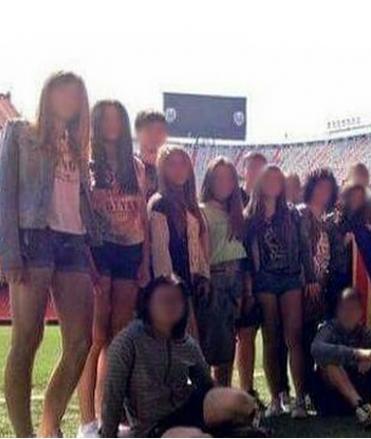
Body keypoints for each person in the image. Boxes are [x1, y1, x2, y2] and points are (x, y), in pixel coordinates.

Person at [0, 71, 99, 437]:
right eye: (63, 92)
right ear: (48, 94)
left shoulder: (79, 143)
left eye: (77, 94)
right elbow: (5, 193)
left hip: (74, 242)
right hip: (32, 238)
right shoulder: (21, 132)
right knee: (27, 338)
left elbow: (81, 203)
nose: (70, 99)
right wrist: (8, 252)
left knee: (80, 342)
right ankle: (24, 434)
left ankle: (48, 426)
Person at [101, 275, 259, 438]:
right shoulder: (127, 342)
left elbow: (206, 386)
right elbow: (112, 397)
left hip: (188, 407)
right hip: (154, 426)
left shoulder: (185, 341)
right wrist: (108, 435)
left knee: (241, 402)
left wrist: (224, 407)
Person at [77, 100, 150, 437]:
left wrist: (145, 260)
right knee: (95, 336)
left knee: (116, 339)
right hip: (99, 248)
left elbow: (142, 217)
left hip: (130, 249)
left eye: (116, 117)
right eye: (103, 118)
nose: (110, 123)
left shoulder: (135, 166)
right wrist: (88, 258)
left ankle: (107, 415)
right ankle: (86, 420)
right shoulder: (85, 162)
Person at [244, 165, 318, 418]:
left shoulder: (292, 213)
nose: (274, 183)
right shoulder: (250, 215)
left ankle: (299, 399)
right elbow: (247, 254)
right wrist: (250, 284)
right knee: (271, 339)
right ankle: (276, 398)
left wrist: (311, 277)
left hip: (289, 279)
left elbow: (305, 247)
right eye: (269, 179)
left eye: (278, 179)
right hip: (264, 279)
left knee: (294, 338)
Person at [311, 288, 371, 429]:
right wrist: (360, 355)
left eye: (354, 309)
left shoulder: (365, 332)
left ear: (360, 313)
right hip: (332, 397)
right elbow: (317, 349)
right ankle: (361, 408)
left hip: (362, 387)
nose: (349, 314)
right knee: (330, 364)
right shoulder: (328, 329)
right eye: (345, 309)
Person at [198, 156, 250, 386]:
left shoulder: (236, 212)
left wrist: (246, 286)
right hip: (214, 278)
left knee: (228, 343)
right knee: (212, 344)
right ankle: (209, 397)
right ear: (209, 180)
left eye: (229, 178)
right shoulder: (200, 210)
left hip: (236, 279)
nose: (224, 182)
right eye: (218, 177)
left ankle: (224, 394)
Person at [149, 146, 209, 332]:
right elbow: (160, 252)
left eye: (183, 164)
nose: (178, 169)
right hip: (172, 286)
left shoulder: (191, 205)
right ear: (162, 169)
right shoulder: (160, 203)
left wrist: (204, 276)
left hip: (190, 283)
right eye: (172, 164)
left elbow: (198, 247)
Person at [298, 168, 339, 405]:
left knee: (316, 339)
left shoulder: (327, 220)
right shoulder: (302, 214)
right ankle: (301, 392)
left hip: (322, 285)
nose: (324, 192)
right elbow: (302, 250)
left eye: (328, 187)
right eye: (319, 186)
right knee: (303, 340)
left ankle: (314, 390)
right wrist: (309, 279)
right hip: (307, 285)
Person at [236, 150, 267, 405]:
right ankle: (243, 389)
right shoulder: (235, 198)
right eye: (253, 168)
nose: (257, 173)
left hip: (263, 277)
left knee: (256, 332)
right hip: (237, 274)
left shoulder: (268, 200)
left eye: (262, 168)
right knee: (242, 333)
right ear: (244, 171)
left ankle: (252, 389)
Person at [326, 183, 368, 317]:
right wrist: (344, 244)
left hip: (358, 276)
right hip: (338, 275)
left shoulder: (362, 220)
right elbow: (328, 253)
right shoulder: (329, 221)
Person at [134, 110, 168, 202]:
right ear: (137, 132)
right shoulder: (128, 165)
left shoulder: (172, 167)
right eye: (149, 130)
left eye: (159, 130)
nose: (154, 135)